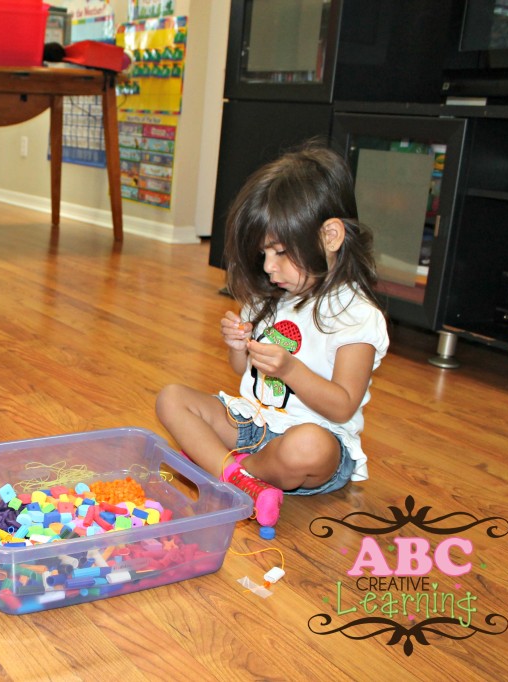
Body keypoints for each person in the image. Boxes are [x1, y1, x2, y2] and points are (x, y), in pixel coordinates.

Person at [156, 144, 388, 527]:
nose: (268, 267)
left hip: (315, 440)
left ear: (330, 236)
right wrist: (237, 347)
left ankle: (222, 467)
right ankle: (239, 478)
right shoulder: (272, 296)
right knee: (172, 398)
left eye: (280, 252)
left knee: (308, 446)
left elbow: (344, 405)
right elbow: (244, 373)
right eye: (264, 253)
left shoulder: (357, 316)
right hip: (253, 424)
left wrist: (292, 371)